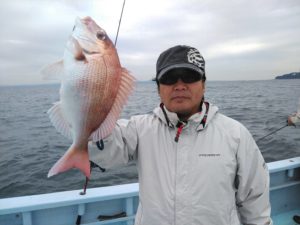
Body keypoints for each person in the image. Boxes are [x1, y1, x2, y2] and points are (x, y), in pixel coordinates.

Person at [89, 45, 273, 225]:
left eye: (189, 76)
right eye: (169, 78)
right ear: (158, 88)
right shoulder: (138, 128)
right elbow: (105, 153)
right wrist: (91, 105)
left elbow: (254, 197)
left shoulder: (236, 133)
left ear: (204, 84)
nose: (179, 86)